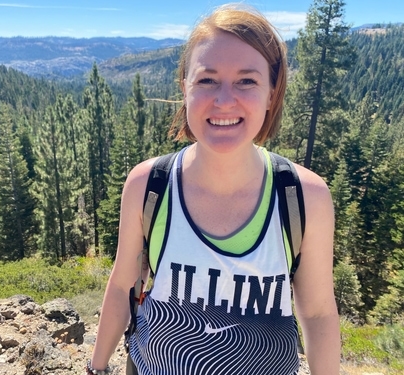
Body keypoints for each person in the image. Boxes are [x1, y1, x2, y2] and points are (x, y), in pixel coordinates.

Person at [87, 3, 340, 375]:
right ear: (184, 88)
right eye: (206, 80)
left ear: (272, 93)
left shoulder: (303, 196)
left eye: (247, 81)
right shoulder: (148, 184)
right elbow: (124, 282)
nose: (224, 100)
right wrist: (96, 367)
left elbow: (317, 313)